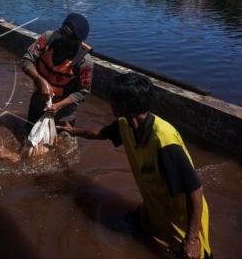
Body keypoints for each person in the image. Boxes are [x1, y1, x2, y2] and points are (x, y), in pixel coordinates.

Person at [62, 73, 212, 259]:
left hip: (181, 222)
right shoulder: (126, 124)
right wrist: (73, 131)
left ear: (123, 105)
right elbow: (102, 132)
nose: (110, 102)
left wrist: (192, 240)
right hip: (154, 210)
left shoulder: (165, 142)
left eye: (113, 100)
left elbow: (195, 192)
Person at [21, 13, 93, 129]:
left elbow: (82, 92)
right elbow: (26, 60)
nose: (69, 44)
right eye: (66, 38)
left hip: (64, 112)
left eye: (74, 42)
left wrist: (58, 106)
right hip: (38, 102)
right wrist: (40, 80)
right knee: (28, 134)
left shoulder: (85, 61)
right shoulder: (47, 39)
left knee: (58, 144)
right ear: (62, 32)